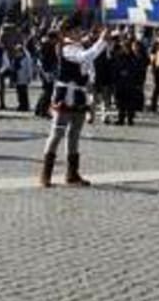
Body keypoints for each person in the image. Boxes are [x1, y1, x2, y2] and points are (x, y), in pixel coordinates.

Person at [39, 24, 109, 188]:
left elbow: (89, 67)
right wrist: (101, 41)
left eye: (80, 30)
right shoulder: (67, 48)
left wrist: (90, 83)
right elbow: (84, 57)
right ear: (68, 33)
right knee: (57, 133)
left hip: (79, 94)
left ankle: (72, 174)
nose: (80, 33)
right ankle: (46, 174)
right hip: (65, 93)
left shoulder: (80, 47)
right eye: (76, 31)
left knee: (74, 134)